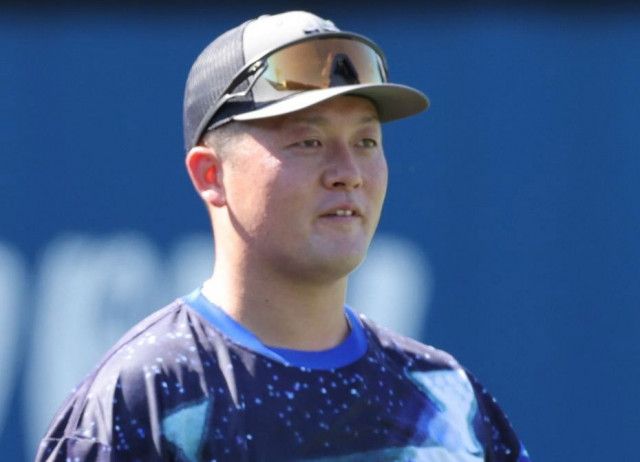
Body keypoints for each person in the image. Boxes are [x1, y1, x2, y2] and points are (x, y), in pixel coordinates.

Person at [36, 10, 529, 462]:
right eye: (309, 141)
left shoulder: (448, 398)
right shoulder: (144, 398)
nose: (348, 172)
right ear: (211, 175)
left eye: (366, 141)